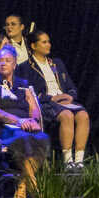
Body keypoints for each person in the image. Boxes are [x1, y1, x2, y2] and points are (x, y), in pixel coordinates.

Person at [0, 46, 48, 198]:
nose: (3, 63)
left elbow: (34, 108)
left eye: (7, 61)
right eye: (0, 61)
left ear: (15, 64)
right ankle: (34, 184)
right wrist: (18, 121)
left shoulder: (23, 85)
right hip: (3, 128)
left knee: (43, 139)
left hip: (25, 127)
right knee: (25, 138)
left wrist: (33, 120)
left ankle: (24, 183)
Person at [23, 29, 90, 168]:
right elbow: (30, 92)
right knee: (66, 115)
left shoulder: (57, 63)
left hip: (65, 102)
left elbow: (71, 87)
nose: (48, 45)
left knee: (83, 115)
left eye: (49, 42)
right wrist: (52, 98)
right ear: (34, 46)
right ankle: (68, 161)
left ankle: (79, 160)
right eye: (44, 42)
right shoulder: (26, 67)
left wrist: (69, 96)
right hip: (46, 103)